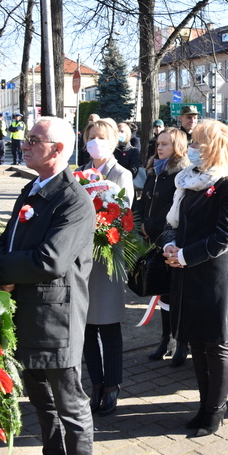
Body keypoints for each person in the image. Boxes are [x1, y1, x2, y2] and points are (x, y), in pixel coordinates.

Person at [0, 117, 96, 455]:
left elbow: (49, 260)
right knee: (40, 398)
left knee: (69, 402)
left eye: (34, 140)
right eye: (27, 138)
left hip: (56, 318)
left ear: (57, 150)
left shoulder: (74, 200)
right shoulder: (32, 188)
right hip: (26, 310)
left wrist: (4, 270)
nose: (24, 144)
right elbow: (7, 241)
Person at [161, 120, 228, 437]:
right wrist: (170, 245)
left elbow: (225, 236)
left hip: (212, 277)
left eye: (197, 142)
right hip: (186, 274)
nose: (193, 148)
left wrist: (184, 255)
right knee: (196, 341)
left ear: (214, 147)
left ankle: (215, 410)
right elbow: (174, 223)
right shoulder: (188, 180)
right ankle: (203, 406)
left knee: (216, 345)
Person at [81, 118, 134, 415]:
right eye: (92, 136)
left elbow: (123, 217)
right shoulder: (80, 172)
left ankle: (112, 384)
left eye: (102, 137)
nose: (96, 142)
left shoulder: (121, 174)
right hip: (82, 258)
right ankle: (96, 383)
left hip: (106, 256)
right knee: (86, 326)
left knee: (108, 324)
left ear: (114, 141)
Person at [133, 128, 191, 360]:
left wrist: (152, 226)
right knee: (163, 292)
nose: (159, 147)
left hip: (171, 239)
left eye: (165, 144)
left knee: (177, 293)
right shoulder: (154, 171)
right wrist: (139, 222)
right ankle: (167, 340)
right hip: (153, 239)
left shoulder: (182, 174)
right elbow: (143, 201)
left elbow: (174, 207)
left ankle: (182, 341)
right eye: (158, 143)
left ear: (178, 147)